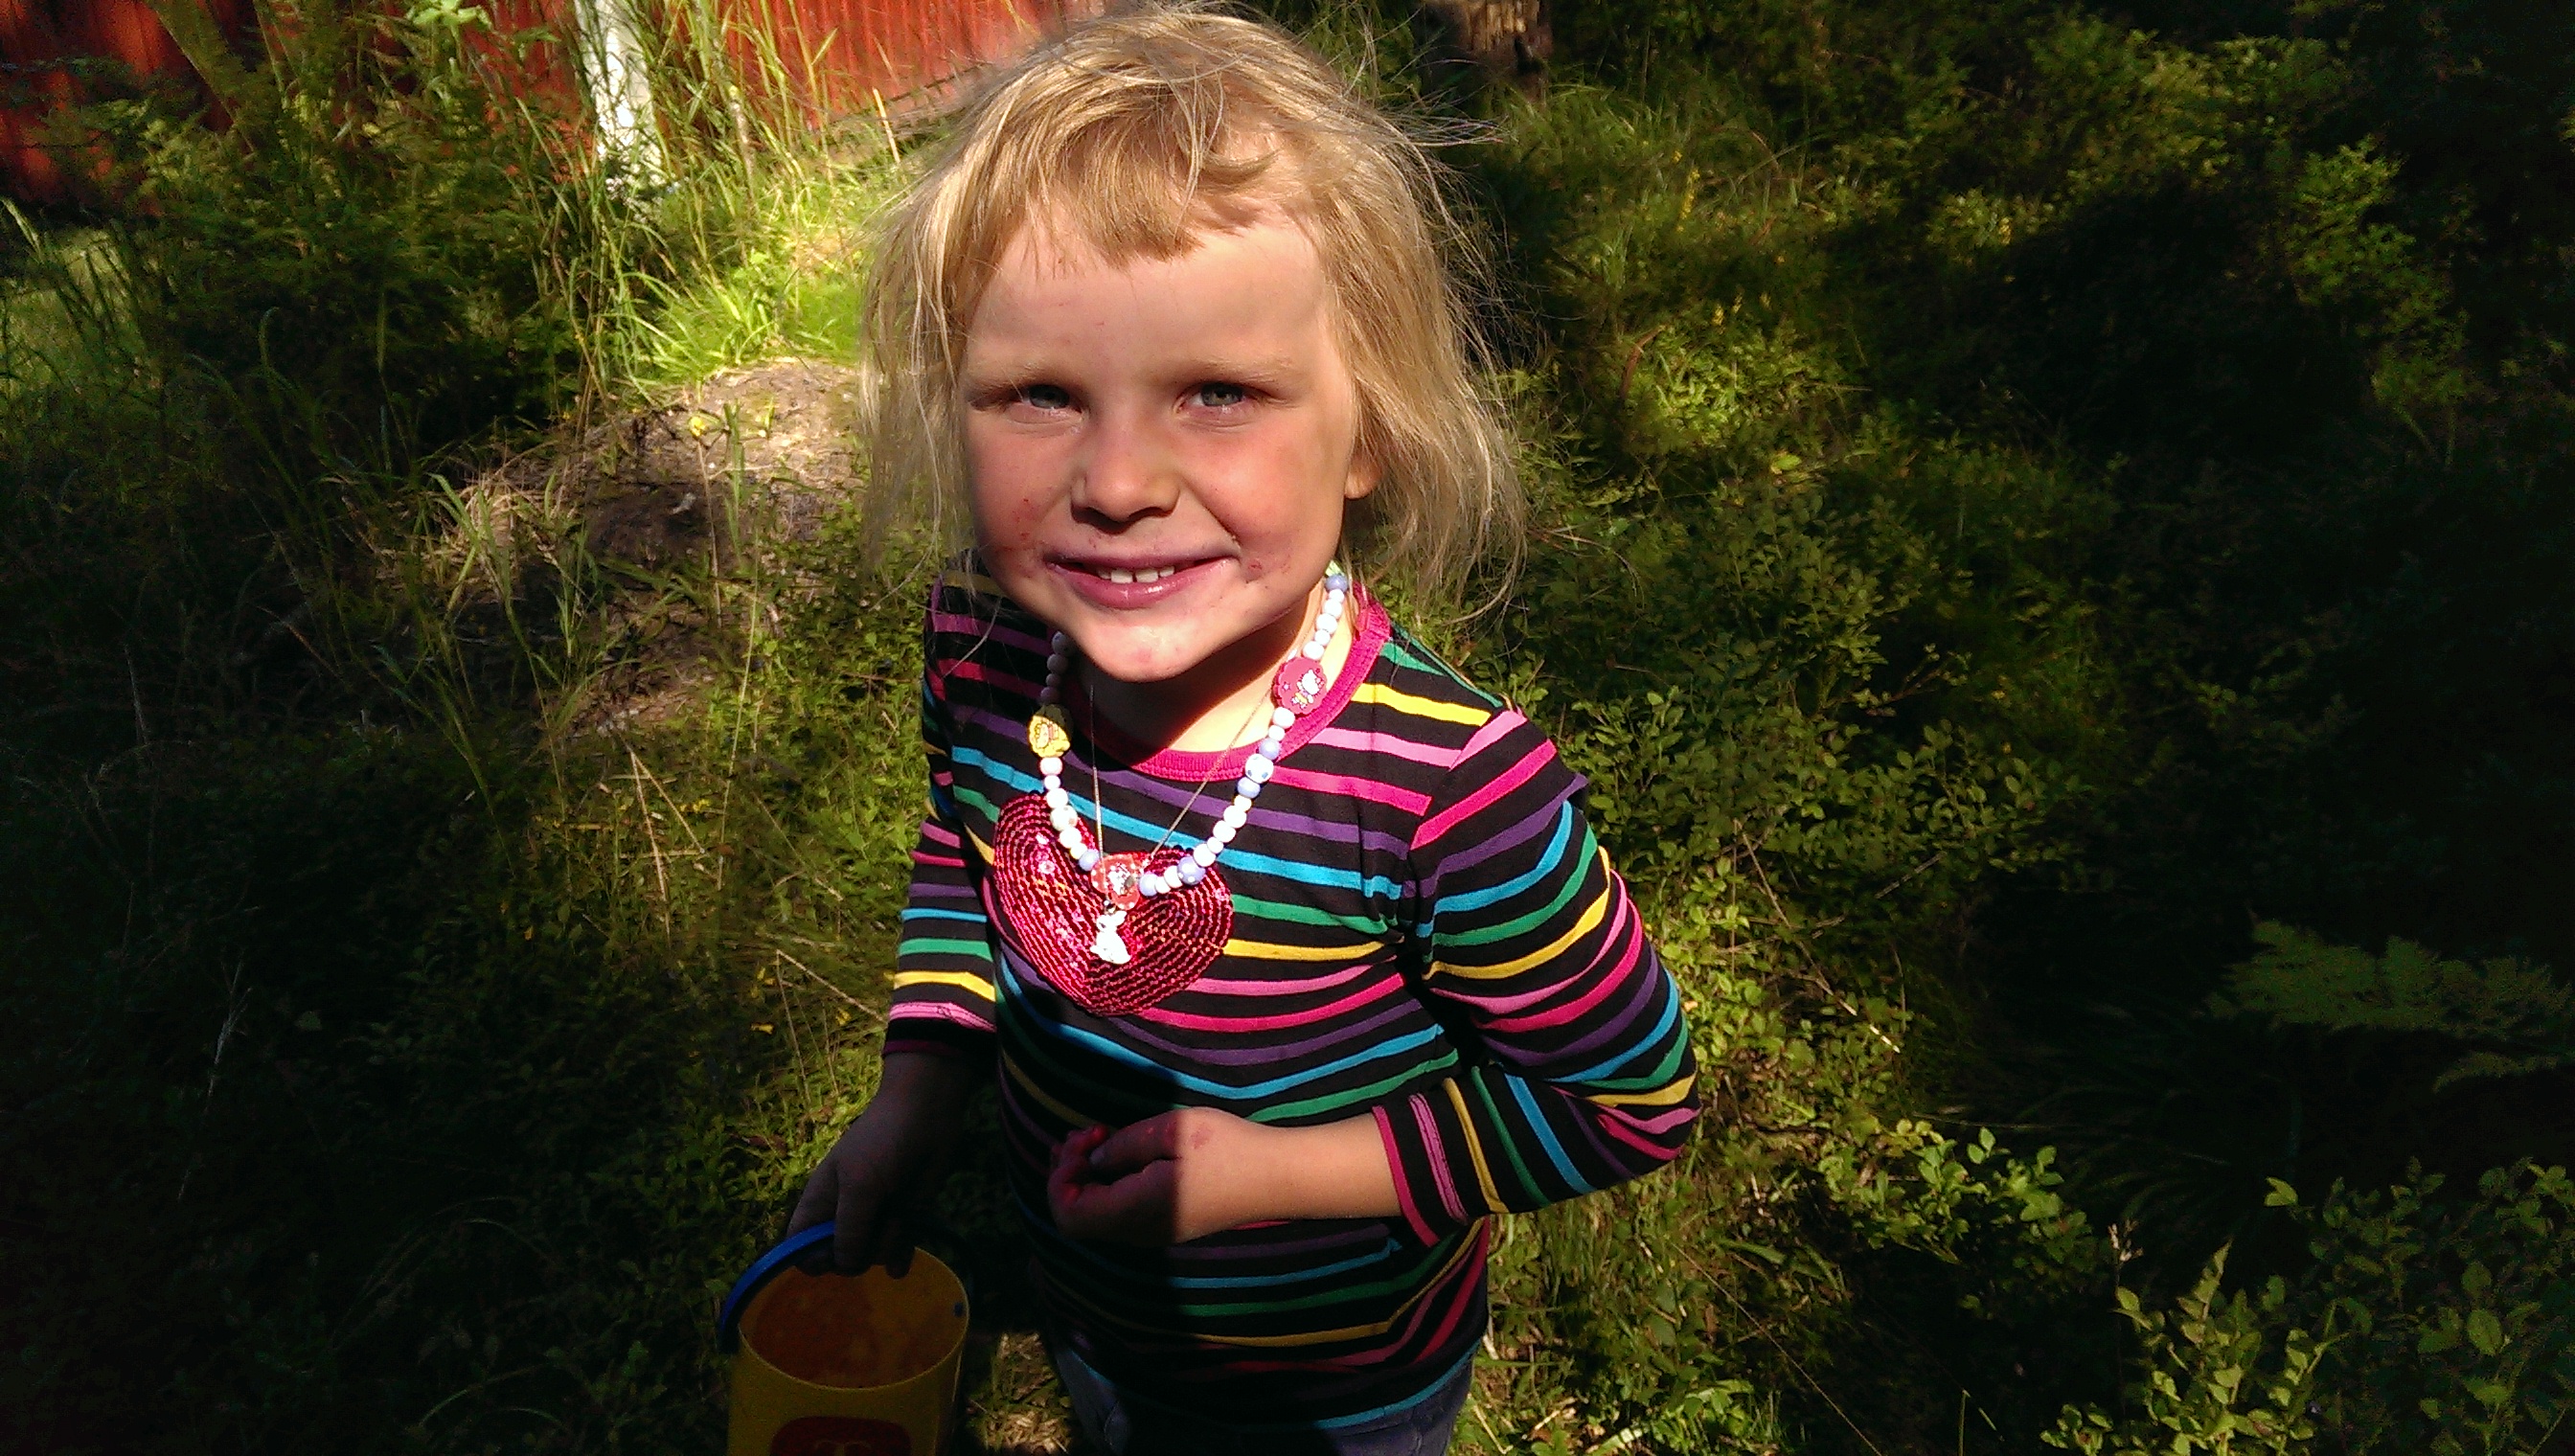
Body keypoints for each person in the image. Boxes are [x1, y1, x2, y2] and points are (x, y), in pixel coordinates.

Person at [788, 9, 1699, 1452]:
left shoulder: (1447, 792)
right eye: (1039, 393)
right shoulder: (987, 652)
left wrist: (1282, 1176)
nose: (1119, 483)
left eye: (1218, 392)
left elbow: (1630, 1101)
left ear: (1369, 429)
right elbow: (968, 859)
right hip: (1091, 1320)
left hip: (1341, 1394)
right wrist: (918, 1094)